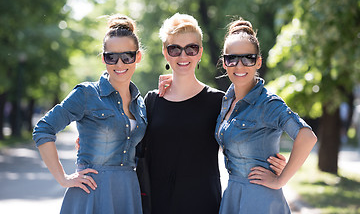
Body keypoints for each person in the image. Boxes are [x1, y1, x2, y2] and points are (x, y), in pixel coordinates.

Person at [140, 13, 287, 214]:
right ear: (166, 53)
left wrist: (273, 163)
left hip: (204, 204)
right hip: (157, 205)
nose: (183, 56)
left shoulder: (219, 102)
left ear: (200, 52)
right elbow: (132, 148)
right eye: (175, 49)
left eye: (191, 48)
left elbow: (247, 140)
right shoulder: (152, 101)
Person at [32, 14, 146, 214]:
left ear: (138, 57)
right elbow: (43, 129)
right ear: (103, 58)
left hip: (127, 192)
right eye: (111, 57)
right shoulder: (86, 94)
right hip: (91, 193)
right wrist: (63, 178)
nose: (119, 64)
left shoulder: (141, 103)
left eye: (127, 56)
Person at [215, 17, 318, 213]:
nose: (239, 65)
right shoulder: (226, 101)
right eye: (232, 58)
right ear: (224, 62)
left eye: (248, 58)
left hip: (260, 200)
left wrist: (281, 179)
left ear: (258, 62)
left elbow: (307, 137)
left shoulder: (268, 103)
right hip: (233, 195)